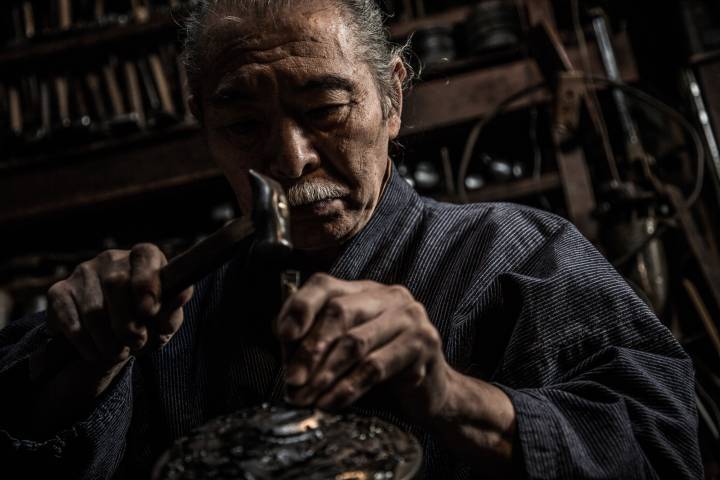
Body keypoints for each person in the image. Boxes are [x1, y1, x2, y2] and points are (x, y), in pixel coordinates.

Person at [0, 0, 702, 478]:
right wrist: (83, 357)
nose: (291, 158)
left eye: (326, 109)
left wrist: (452, 396)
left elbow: (666, 448)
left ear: (392, 97)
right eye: (244, 126)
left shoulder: (518, 259)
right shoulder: (168, 316)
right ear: (200, 120)